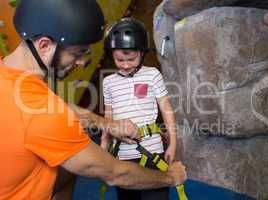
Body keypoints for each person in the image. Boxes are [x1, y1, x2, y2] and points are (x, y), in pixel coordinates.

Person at [0, 0, 187, 199]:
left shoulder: (18, 84)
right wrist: (170, 177)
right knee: (74, 164)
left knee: (66, 170)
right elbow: (116, 173)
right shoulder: (44, 112)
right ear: (44, 45)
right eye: (78, 53)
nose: (81, 62)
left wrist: (106, 124)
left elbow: (53, 109)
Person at [101, 18, 178, 200]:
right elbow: (108, 116)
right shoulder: (108, 82)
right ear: (111, 55)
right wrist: (104, 145)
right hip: (122, 154)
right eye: (120, 59)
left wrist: (173, 143)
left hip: (152, 151)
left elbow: (166, 109)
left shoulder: (152, 75)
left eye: (131, 59)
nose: (126, 65)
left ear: (142, 53)